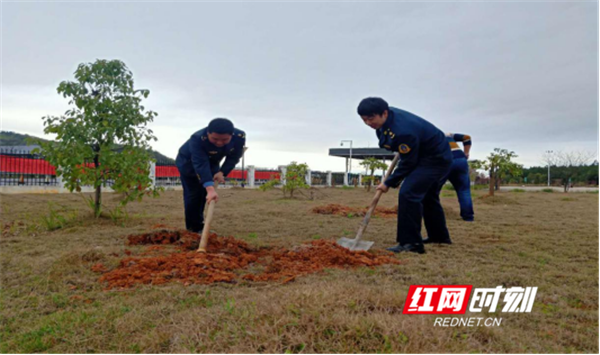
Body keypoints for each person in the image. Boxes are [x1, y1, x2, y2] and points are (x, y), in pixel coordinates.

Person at [357, 97, 453, 254]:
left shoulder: (403, 131)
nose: (368, 123)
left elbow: (408, 162)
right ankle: (439, 236)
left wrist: (388, 182)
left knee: (409, 193)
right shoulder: (389, 121)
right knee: (428, 196)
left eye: (371, 118)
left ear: (384, 113)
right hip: (426, 154)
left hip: (435, 159)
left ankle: (411, 243)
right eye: (364, 120)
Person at [176, 118, 246, 233]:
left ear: (231, 135)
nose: (219, 143)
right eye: (215, 139)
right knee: (194, 195)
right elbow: (200, 163)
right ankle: (193, 229)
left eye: (224, 140)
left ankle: (200, 225)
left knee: (204, 195)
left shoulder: (239, 136)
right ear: (208, 132)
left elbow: (234, 156)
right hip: (189, 163)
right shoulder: (197, 138)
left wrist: (222, 172)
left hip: (212, 162)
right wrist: (210, 188)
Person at [441, 133, 475, 221]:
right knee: (464, 190)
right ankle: (468, 217)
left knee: (433, 191)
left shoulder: (427, 136)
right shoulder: (448, 134)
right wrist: (466, 153)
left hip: (444, 161)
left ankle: (432, 215)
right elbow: (467, 137)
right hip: (460, 160)